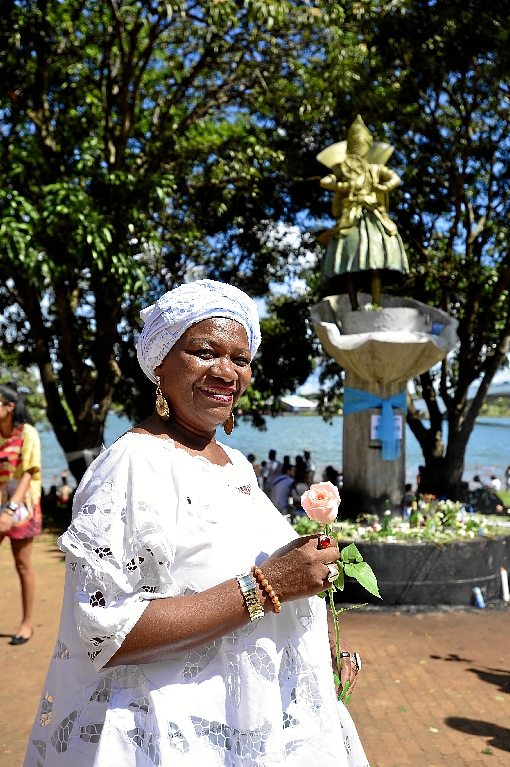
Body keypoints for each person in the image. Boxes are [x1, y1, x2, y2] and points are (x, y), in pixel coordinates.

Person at [24, 280, 368, 767]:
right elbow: (111, 631)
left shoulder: (236, 464)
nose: (226, 372)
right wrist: (269, 585)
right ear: (160, 362)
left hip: (249, 725)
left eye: (241, 359)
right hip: (170, 732)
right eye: (205, 351)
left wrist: (312, 642)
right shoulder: (132, 465)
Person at [0, 384, 42, 645]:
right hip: (1, 502)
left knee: (22, 564)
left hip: (21, 507)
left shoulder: (28, 434)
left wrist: (10, 509)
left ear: (9, 407)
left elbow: (28, 473)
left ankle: (27, 624)